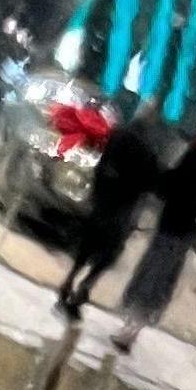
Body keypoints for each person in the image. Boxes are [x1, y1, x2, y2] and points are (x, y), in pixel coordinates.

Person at [114, 109, 196, 342]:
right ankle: (135, 325)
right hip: (184, 226)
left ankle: (132, 326)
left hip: (174, 223)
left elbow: (177, 183)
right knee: (162, 276)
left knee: (154, 273)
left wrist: (159, 181)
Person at [57, 100, 165, 317]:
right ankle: (84, 287)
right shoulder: (148, 148)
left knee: (89, 245)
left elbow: (104, 164)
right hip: (123, 206)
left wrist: (97, 192)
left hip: (106, 200)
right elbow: (151, 181)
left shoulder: (120, 134)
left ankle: (70, 281)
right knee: (109, 251)